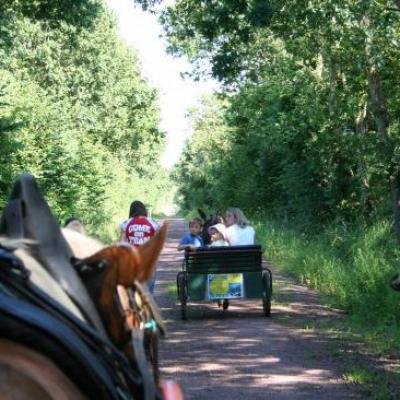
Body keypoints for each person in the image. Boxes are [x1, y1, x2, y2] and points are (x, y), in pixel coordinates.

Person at [120, 201, 160, 293]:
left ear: (131, 211)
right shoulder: (153, 224)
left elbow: (122, 244)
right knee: (148, 292)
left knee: (132, 290)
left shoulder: (126, 223)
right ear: (144, 210)